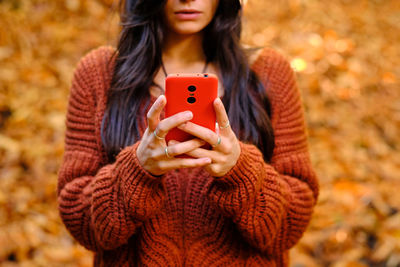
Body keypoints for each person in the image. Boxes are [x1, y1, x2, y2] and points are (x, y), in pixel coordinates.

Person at [57, 0, 319, 266]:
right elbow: (79, 217)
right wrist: (138, 170)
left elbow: (293, 221)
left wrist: (241, 172)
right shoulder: (100, 75)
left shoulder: (267, 72)